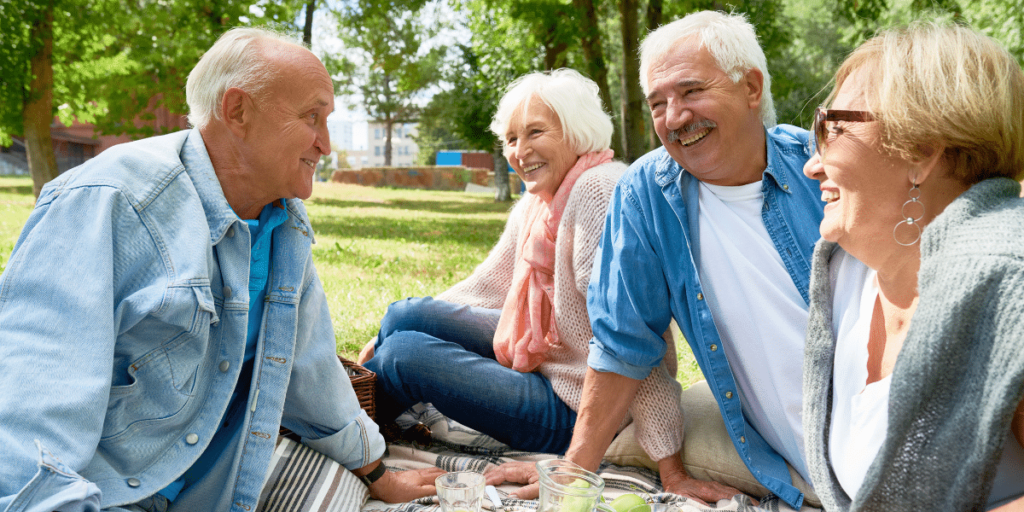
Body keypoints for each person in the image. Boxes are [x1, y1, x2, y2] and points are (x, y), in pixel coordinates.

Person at [0, 27, 441, 512]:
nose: (327, 144)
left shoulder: (282, 222)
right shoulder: (109, 202)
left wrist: (377, 473)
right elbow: (29, 418)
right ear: (237, 111)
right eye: (312, 117)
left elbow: (311, 369)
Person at [491, 11, 825, 508]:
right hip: (815, 456)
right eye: (658, 102)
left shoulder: (824, 168)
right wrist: (574, 469)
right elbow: (624, 343)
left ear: (751, 88)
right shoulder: (647, 193)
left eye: (691, 92)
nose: (674, 117)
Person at [358, 69, 641, 457]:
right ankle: (363, 404)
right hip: (545, 355)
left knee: (402, 356)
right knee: (402, 317)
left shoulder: (598, 190)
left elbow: (632, 335)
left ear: (577, 130)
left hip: (578, 409)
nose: (519, 152)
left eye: (535, 133)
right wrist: (388, 331)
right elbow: (488, 285)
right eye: (511, 138)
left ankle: (349, 430)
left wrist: (665, 448)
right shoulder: (541, 199)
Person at [801, 23, 1024, 511]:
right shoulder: (846, 278)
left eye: (832, 128)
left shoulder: (1009, 285)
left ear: (921, 151)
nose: (811, 165)